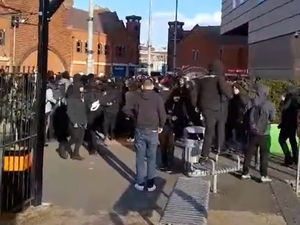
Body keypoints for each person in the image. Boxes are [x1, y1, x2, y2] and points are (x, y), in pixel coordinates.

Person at [123, 78, 166, 192]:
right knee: (152, 157)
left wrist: (135, 118)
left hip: (140, 129)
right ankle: (151, 184)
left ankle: (140, 183)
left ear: (142, 87)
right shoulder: (157, 98)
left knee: (140, 157)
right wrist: (161, 126)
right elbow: (162, 114)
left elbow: (126, 109)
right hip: (153, 130)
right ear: (152, 86)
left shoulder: (137, 97)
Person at [196, 61, 234, 163]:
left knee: (209, 131)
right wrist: (230, 90)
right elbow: (227, 93)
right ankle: (218, 149)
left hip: (205, 108)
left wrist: (198, 107)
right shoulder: (219, 78)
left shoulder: (202, 79)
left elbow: (196, 94)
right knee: (217, 128)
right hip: (215, 108)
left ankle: (205, 156)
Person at [241, 85, 275, 183]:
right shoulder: (269, 104)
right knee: (264, 154)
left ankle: (245, 173)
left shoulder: (251, 102)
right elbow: (272, 118)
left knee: (249, 153)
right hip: (265, 133)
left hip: (252, 132)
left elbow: (245, 114)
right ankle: (263, 175)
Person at [66, 74, 87, 160]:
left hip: (78, 116)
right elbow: (71, 111)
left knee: (78, 136)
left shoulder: (72, 89)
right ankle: (69, 150)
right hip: (76, 117)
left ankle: (74, 152)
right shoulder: (75, 94)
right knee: (77, 136)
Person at [278, 93, 298, 166]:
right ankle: (295, 159)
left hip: (286, 126)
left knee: (282, 140)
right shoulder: (295, 104)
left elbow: (283, 111)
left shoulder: (286, 104)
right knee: (293, 142)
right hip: (293, 125)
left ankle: (288, 157)